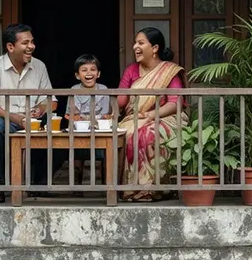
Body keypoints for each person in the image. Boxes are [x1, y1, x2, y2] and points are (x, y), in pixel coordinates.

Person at [0, 23, 58, 203]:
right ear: (10, 47)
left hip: (29, 120)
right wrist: (14, 117)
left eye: (32, 42)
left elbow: (51, 100)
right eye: (26, 43)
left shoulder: (39, 66)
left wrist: (41, 109)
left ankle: (39, 184)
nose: (31, 47)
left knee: (52, 126)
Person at [116, 27, 188, 202]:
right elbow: (121, 101)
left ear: (154, 48)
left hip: (166, 117)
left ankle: (153, 189)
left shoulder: (169, 71)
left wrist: (151, 115)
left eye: (140, 43)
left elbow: (175, 102)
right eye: (135, 43)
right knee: (126, 132)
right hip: (134, 118)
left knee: (148, 134)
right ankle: (131, 189)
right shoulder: (131, 70)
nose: (135, 47)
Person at [64, 54, 110, 185]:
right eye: (84, 70)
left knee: (105, 151)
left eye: (93, 69)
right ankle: (76, 186)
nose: (89, 73)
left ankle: (105, 185)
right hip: (80, 130)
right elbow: (72, 114)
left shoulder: (104, 89)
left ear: (98, 73)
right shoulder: (74, 90)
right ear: (77, 75)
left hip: (99, 130)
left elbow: (105, 114)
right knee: (77, 152)